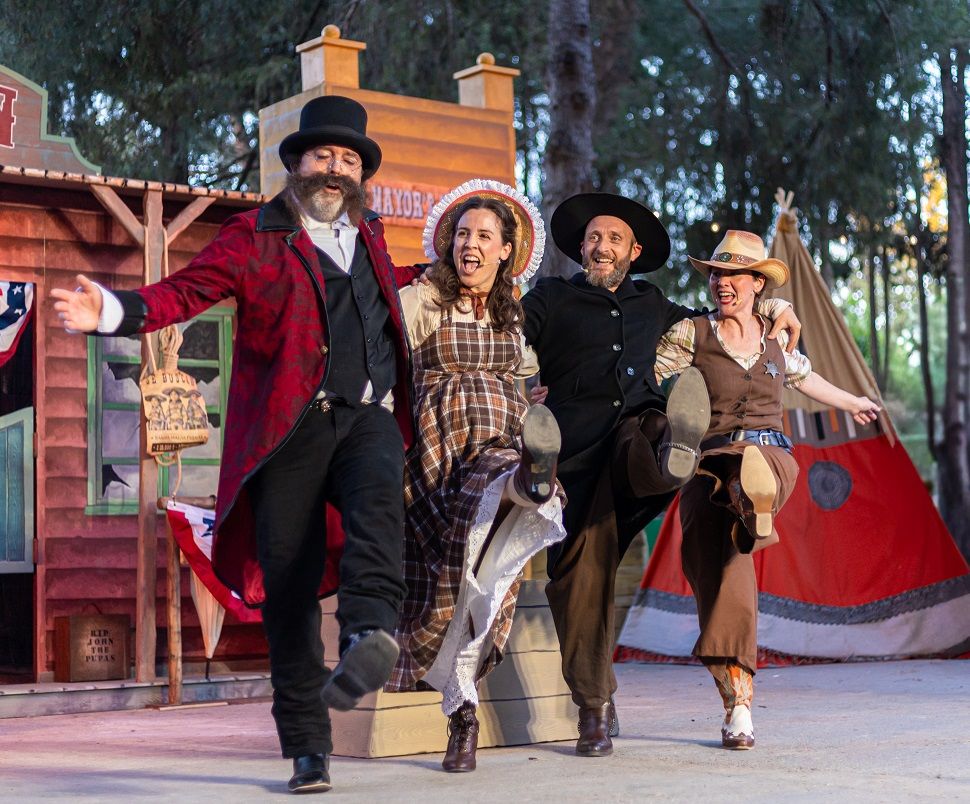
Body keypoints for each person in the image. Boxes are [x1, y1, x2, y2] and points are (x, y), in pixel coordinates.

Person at [52, 96, 424, 795]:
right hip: (285, 433)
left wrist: (439, 274)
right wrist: (114, 311)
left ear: (360, 175)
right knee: (288, 589)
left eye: (348, 160)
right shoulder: (253, 236)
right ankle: (308, 747)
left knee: (380, 505)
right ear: (296, 165)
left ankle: (365, 637)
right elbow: (187, 292)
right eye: (322, 155)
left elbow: (386, 291)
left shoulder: (370, 234)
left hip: (366, 416)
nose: (335, 168)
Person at [523, 193, 801, 757]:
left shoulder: (654, 304)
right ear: (581, 248)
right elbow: (507, 336)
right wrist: (522, 385)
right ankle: (594, 708)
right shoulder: (549, 297)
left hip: (637, 441)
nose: (602, 246)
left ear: (634, 252)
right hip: (576, 460)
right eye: (594, 238)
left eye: (615, 239)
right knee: (581, 577)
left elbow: (726, 316)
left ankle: (677, 452)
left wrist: (777, 306)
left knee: (649, 433)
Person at [654, 228, 879, 748]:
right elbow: (649, 376)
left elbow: (806, 378)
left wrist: (853, 402)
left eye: (734, 275)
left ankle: (751, 493)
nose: (721, 283)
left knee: (751, 466)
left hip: (770, 456)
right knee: (715, 571)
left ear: (757, 283)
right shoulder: (691, 333)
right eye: (716, 274)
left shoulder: (777, 338)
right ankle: (736, 702)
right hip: (706, 464)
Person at [387, 180, 566, 773]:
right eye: (463, 234)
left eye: (485, 236)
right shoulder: (424, 300)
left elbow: (523, 378)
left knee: (498, 524)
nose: (471, 245)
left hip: (501, 438)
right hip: (438, 454)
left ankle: (530, 478)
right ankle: (461, 708)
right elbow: (380, 355)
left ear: (505, 251)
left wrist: (533, 400)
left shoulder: (513, 316)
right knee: (462, 577)